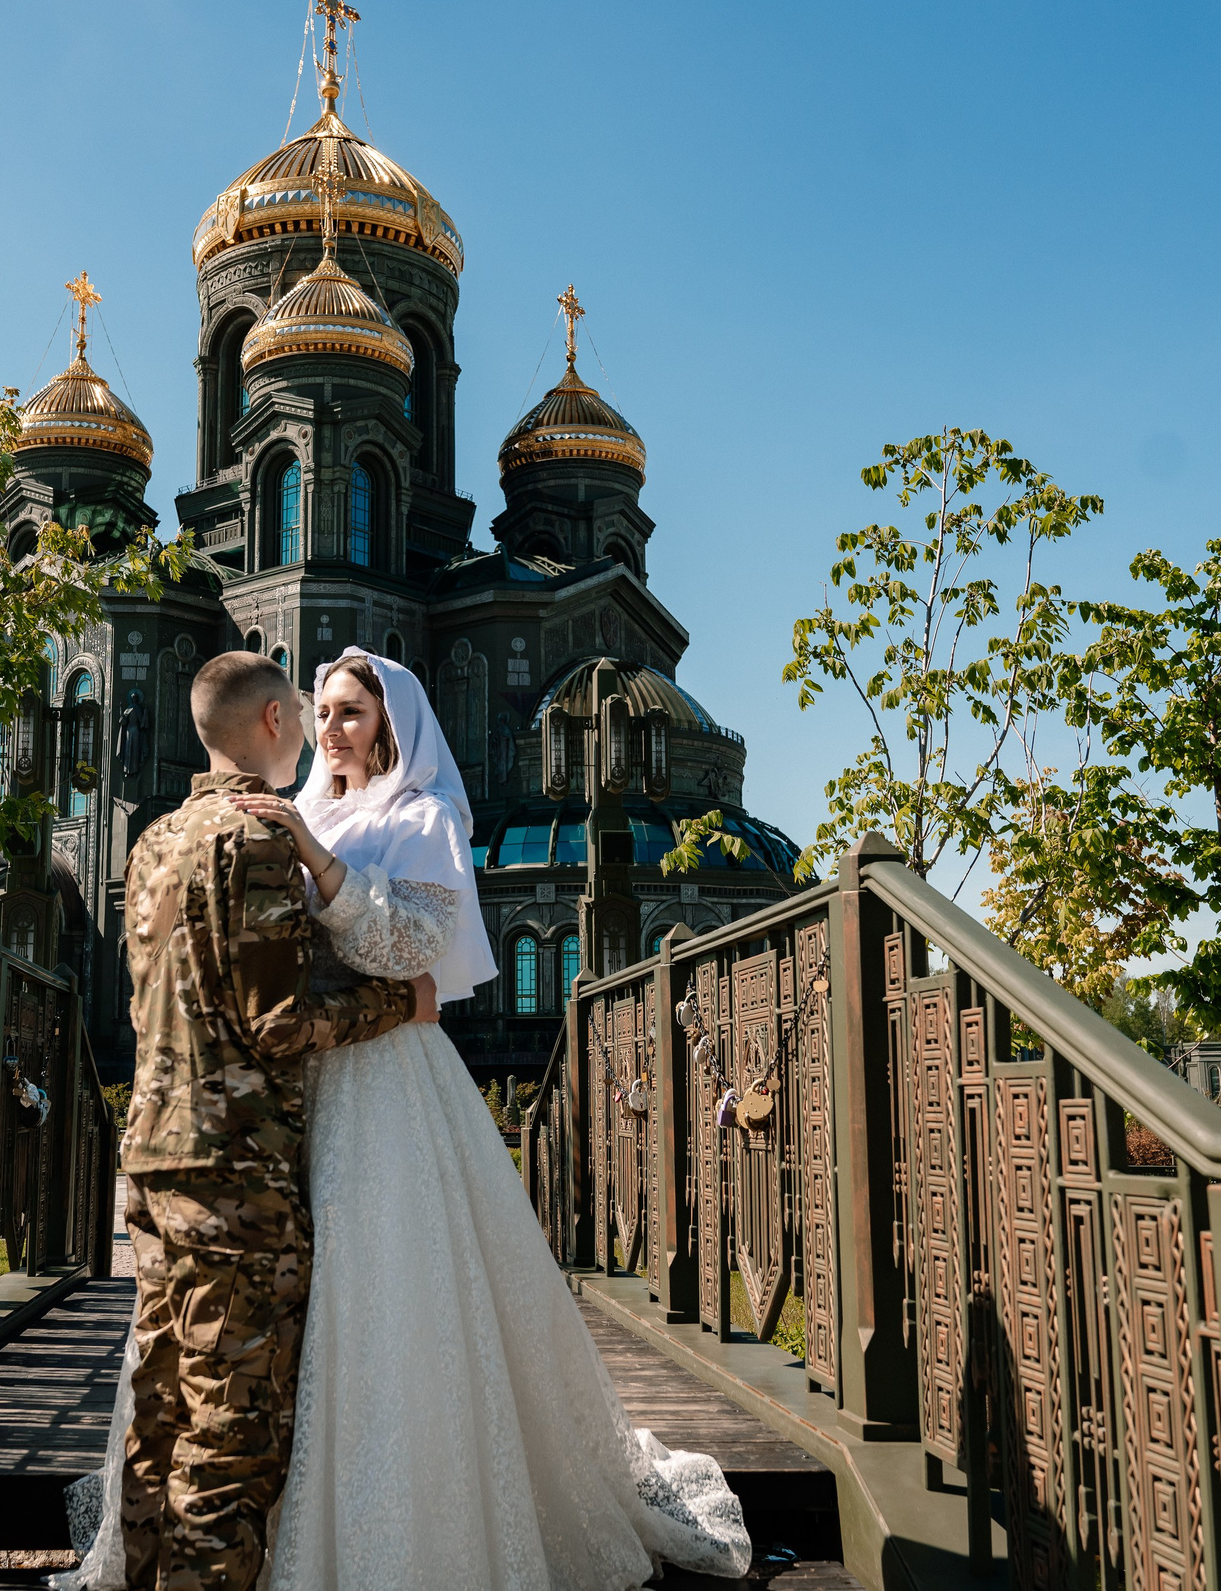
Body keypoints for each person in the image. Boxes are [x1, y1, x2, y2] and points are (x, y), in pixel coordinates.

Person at [65, 648, 749, 1591]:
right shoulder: (281, 815)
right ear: (282, 722)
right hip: (277, 1101)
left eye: (351, 712)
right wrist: (313, 857)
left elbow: (416, 946)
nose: (331, 728)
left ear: (391, 723)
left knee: (374, 1296)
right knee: (247, 1351)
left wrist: (321, 864)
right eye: (321, 710)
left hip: (374, 1084)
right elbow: (273, 992)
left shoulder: (416, 817)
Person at [99, 649, 433, 1591]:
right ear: (279, 724)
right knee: (231, 1438)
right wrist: (395, 1004)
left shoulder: (155, 840)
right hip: (234, 1175)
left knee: (160, 1411)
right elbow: (278, 1023)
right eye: (307, 714)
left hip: (155, 1161)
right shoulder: (254, 841)